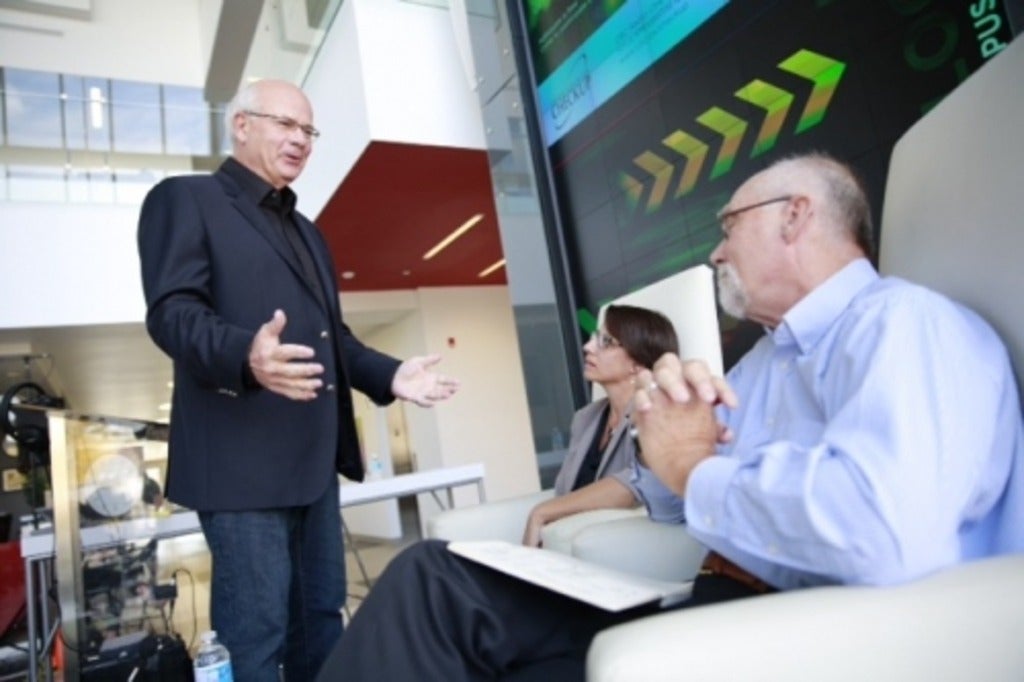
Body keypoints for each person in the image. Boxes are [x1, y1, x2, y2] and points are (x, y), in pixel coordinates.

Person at [318, 152, 1024, 681]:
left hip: (811, 629)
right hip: (718, 598)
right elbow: (667, 484)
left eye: (729, 226)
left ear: (795, 215)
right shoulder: (763, 365)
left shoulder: (905, 325)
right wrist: (661, 438)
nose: (717, 249)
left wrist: (696, 466)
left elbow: (884, 533)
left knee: (444, 603)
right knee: (437, 577)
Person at [136, 79, 459, 681]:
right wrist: (245, 354)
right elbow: (172, 313)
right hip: (241, 474)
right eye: (285, 124)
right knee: (256, 642)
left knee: (321, 625)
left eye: (308, 130)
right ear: (241, 125)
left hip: (313, 469)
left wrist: (393, 374)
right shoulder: (185, 198)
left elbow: (333, 341)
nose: (300, 140)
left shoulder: (309, 232)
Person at [522, 304, 678, 547]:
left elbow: (636, 485)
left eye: (605, 342)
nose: (588, 347)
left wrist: (542, 512)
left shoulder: (653, 414)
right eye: (594, 338)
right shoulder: (585, 418)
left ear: (637, 364)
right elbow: (565, 489)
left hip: (610, 547)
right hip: (563, 543)